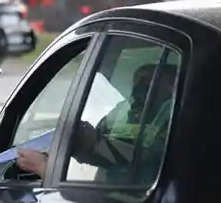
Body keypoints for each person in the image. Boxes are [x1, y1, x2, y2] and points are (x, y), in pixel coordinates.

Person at [16, 63, 177, 182]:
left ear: (172, 88)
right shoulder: (122, 110)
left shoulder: (173, 119)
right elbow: (101, 136)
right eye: (138, 81)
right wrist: (89, 143)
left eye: (149, 82)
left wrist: (45, 168)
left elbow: (147, 165)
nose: (140, 87)